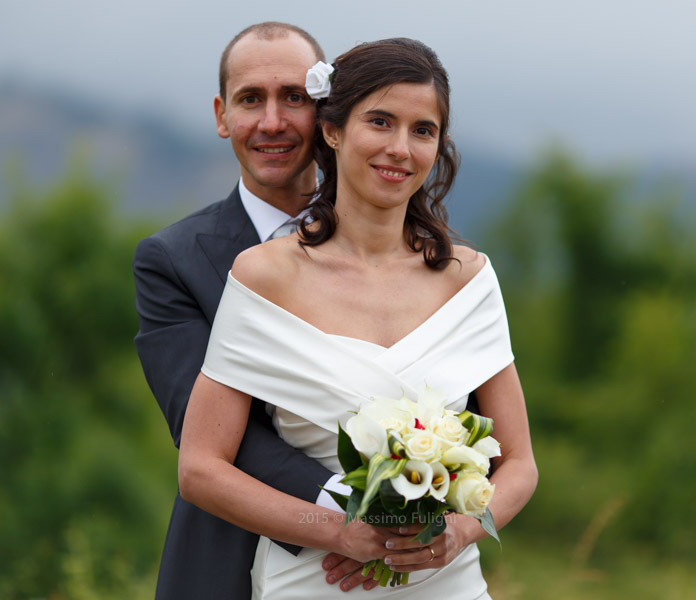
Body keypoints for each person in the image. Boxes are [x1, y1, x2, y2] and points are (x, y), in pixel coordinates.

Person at [178, 37, 539, 598]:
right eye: (380, 122)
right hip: (315, 581)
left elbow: (518, 463)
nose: (401, 148)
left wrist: (459, 531)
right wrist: (339, 531)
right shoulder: (265, 276)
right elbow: (201, 469)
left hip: (446, 584)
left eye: (423, 130)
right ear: (332, 129)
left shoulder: (468, 280)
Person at [133, 22, 378, 598]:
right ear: (222, 116)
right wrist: (357, 509)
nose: (272, 122)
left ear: (328, 115)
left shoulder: (402, 252)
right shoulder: (171, 260)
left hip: (394, 569)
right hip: (233, 558)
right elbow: (215, 431)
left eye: (294, 97)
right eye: (250, 100)